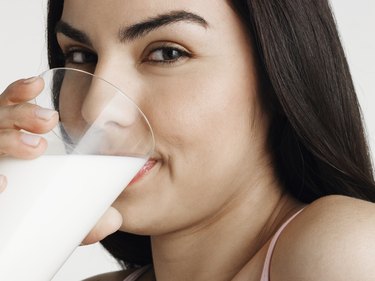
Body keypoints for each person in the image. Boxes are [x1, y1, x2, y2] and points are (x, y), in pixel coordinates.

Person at [1, 0, 375, 280]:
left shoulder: (346, 250)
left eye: (167, 53)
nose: (95, 109)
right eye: (81, 55)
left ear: (279, 76)